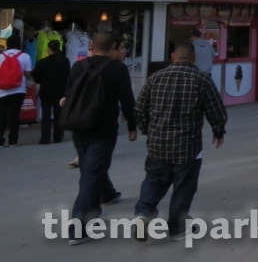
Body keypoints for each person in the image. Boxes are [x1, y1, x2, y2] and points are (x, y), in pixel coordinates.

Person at [133, 42, 228, 242]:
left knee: (154, 179)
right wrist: (218, 132)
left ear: (172, 56)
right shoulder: (202, 80)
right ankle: (177, 227)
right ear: (194, 58)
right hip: (188, 145)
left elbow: (139, 109)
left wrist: (147, 130)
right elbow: (217, 111)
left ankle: (143, 213)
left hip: (158, 143)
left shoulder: (154, 78)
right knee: (184, 186)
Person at [66, 32, 138, 245]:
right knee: (90, 173)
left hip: (79, 127)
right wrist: (133, 125)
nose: (124, 52)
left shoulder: (78, 66)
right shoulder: (118, 69)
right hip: (104, 129)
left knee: (91, 167)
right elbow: (127, 99)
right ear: (113, 47)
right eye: (122, 48)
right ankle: (78, 228)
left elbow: (69, 93)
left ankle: (106, 195)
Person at [33, 38, 70, 145]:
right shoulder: (65, 61)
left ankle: (45, 138)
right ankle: (58, 137)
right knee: (59, 114)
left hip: (46, 91)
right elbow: (68, 75)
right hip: (60, 91)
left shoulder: (43, 62)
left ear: (49, 49)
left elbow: (37, 78)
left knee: (46, 115)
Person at [0, 34, 33, 147]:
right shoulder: (25, 56)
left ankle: (0, 141)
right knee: (15, 115)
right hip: (19, 89)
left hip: (2, 90)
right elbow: (28, 73)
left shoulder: (0, 56)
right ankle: (13, 140)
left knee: (2, 116)